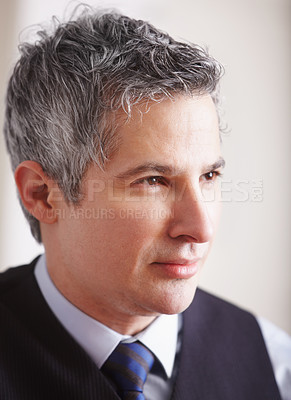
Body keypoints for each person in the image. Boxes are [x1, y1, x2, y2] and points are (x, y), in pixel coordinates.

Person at [1, 6, 290, 400]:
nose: (201, 228)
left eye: (209, 176)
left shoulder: (274, 365)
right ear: (41, 194)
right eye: (153, 181)